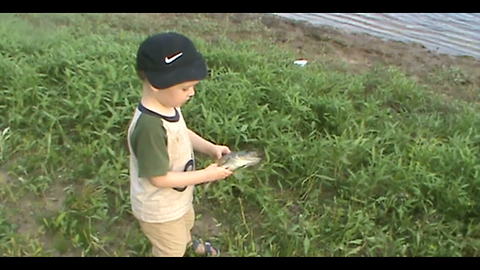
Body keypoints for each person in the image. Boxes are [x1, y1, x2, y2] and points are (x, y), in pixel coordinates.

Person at [127, 32, 233, 257]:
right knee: (170, 249)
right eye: (185, 88)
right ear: (157, 84)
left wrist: (209, 147)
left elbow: (180, 132)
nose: (192, 93)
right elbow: (159, 178)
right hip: (159, 210)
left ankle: (184, 241)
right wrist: (206, 175)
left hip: (176, 200)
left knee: (186, 222)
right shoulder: (149, 128)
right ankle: (174, 247)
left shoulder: (166, 106)